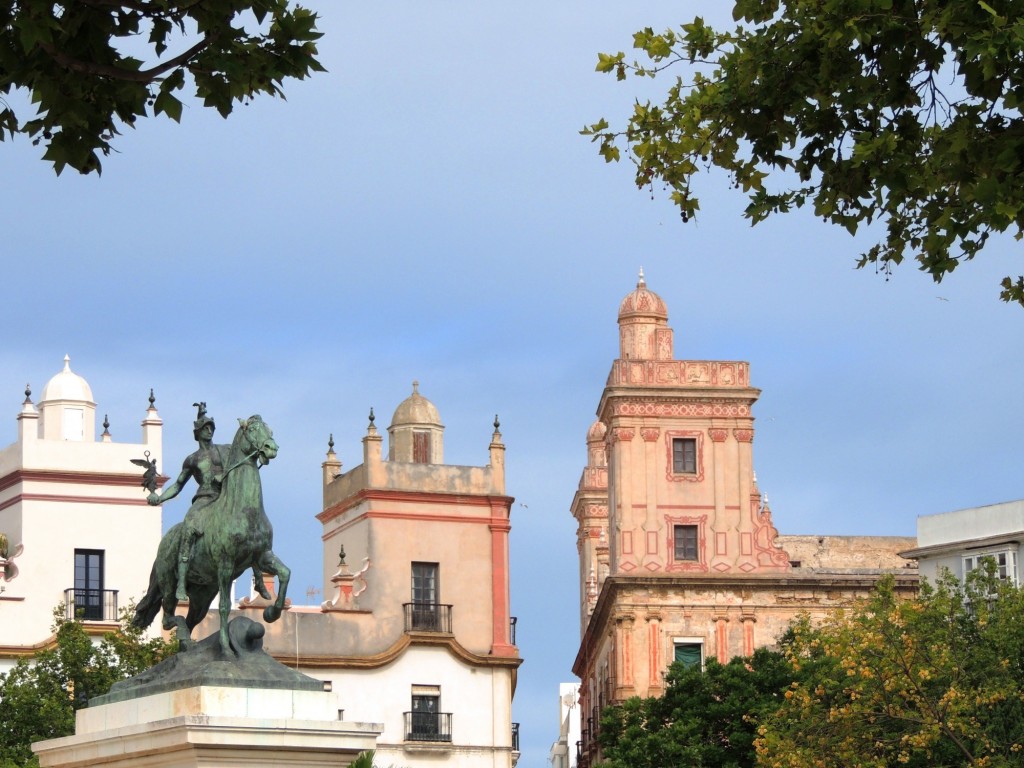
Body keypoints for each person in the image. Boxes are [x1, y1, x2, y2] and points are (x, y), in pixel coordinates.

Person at [148, 402, 227, 602]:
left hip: (224, 497)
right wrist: (159, 497)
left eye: (211, 428)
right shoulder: (192, 459)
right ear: (197, 433)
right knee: (189, 528)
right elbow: (177, 486)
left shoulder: (223, 451)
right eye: (205, 428)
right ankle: (181, 582)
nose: (209, 431)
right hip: (204, 499)